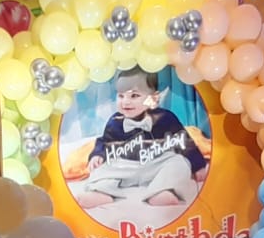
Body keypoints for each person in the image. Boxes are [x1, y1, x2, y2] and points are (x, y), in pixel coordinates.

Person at [77, 68, 209, 209]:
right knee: (101, 170)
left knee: (179, 162)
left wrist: (198, 166)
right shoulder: (115, 121)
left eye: (134, 96)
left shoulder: (166, 118)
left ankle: (162, 190)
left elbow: (184, 142)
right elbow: (105, 141)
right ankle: (101, 192)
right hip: (124, 166)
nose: (125, 102)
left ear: (153, 99)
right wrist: (98, 154)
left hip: (156, 164)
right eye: (121, 96)